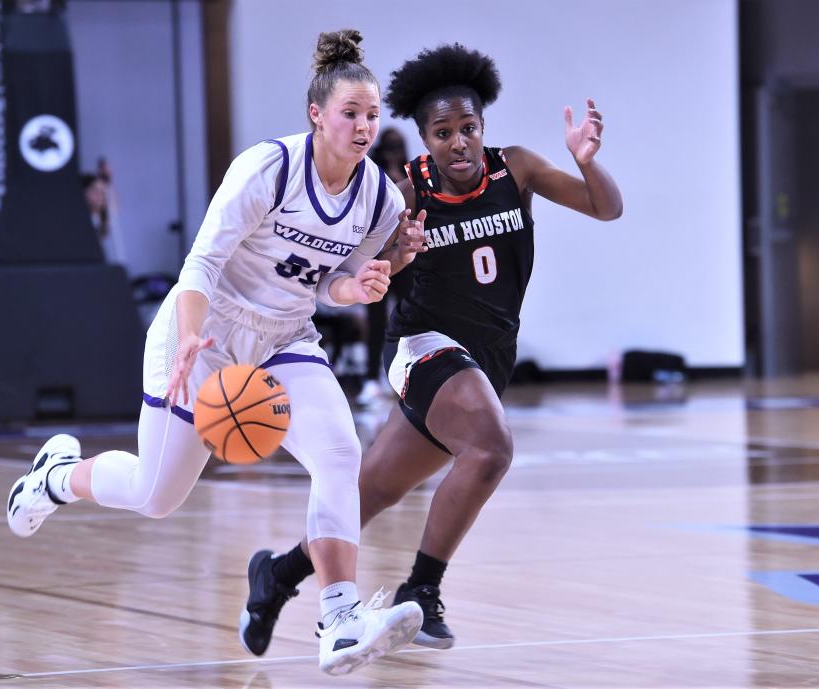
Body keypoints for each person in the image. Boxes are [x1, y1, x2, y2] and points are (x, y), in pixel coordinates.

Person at [5, 29, 428, 676]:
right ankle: (55, 478)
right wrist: (192, 340)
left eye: (372, 114)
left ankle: (339, 617)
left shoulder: (380, 199)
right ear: (316, 114)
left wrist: (366, 282)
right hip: (203, 331)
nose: (364, 125)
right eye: (351, 113)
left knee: (341, 451)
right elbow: (202, 263)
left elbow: (330, 284)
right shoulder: (269, 167)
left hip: (283, 337)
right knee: (156, 494)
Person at [242, 43, 622, 652]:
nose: (459, 143)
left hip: (486, 361)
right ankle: (422, 589)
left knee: (372, 493)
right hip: (423, 348)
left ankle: (278, 575)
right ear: (425, 139)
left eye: (468, 128)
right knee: (492, 450)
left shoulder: (516, 169)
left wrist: (585, 162)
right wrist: (398, 253)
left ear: (482, 127)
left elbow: (607, 208)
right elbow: (364, 277)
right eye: (443, 133)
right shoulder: (407, 192)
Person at [357, 127, 412, 405]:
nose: (394, 151)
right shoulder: (369, 173)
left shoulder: (410, 174)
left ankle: (406, 376)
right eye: (389, 147)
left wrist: (398, 170)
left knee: (405, 318)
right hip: (373, 257)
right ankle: (370, 378)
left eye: (398, 146)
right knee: (375, 322)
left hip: (402, 259)